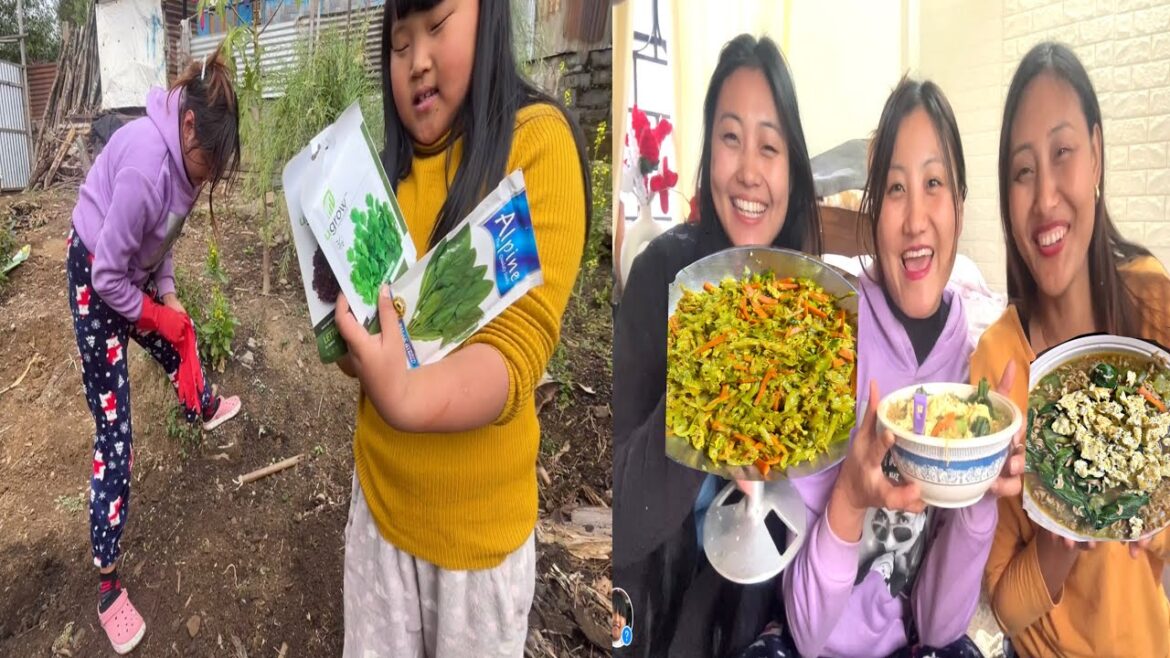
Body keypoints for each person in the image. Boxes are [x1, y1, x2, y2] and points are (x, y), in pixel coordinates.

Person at [332, 0, 591, 655]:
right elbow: (365, 354)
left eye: (438, 25)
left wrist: (407, 392)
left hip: (476, 554)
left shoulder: (536, 146)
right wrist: (348, 338)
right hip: (380, 518)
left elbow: (515, 350)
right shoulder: (381, 182)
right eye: (399, 43)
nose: (417, 60)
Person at [765, 77, 1022, 658]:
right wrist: (850, 497)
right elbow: (805, 631)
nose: (915, 220)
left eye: (934, 184)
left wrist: (981, 494)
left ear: (959, 206)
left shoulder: (967, 374)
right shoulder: (829, 345)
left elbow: (938, 630)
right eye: (896, 189)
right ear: (873, 212)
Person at [612, 34, 824, 657]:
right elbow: (621, 521)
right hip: (657, 617)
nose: (749, 171)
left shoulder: (808, 303)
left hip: (755, 626)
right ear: (709, 152)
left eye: (770, 146)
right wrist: (704, 390)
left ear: (793, 169)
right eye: (731, 138)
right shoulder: (660, 277)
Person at [973, 41, 1170, 657]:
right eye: (1023, 172)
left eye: (1063, 154)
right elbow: (1003, 607)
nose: (1045, 198)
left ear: (1097, 155)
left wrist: (1149, 515)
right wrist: (1064, 528)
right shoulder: (996, 363)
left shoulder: (1152, 305)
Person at [66, 48, 243, 654]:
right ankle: (107, 585)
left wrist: (167, 297)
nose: (207, 178)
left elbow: (159, 237)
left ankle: (200, 404)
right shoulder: (147, 165)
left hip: (125, 269)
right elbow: (108, 277)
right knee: (115, 432)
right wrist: (153, 314)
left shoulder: (187, 163)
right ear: (188, 126)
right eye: (207, 163)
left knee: (176, 332)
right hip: (95, 275)